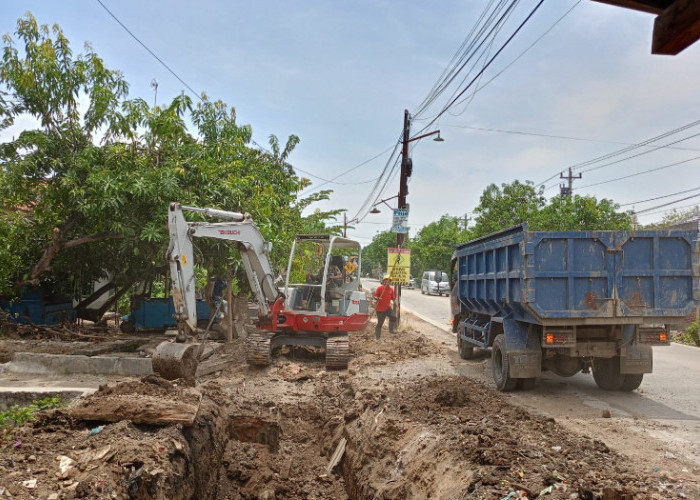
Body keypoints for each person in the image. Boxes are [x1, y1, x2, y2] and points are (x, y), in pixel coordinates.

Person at [374, 275, 397, 339]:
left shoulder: (391, 289)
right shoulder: (380, 288)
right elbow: (375, 296)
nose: (388, 282)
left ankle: (391, 330)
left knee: (394, 317)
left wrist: (396, 305)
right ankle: (378, 338)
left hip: (387, 308)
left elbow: (393, 298)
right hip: (380, 309)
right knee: (380, 324)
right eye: (387, 280)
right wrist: (377, 298)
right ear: (384, 281)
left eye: (389, 281)